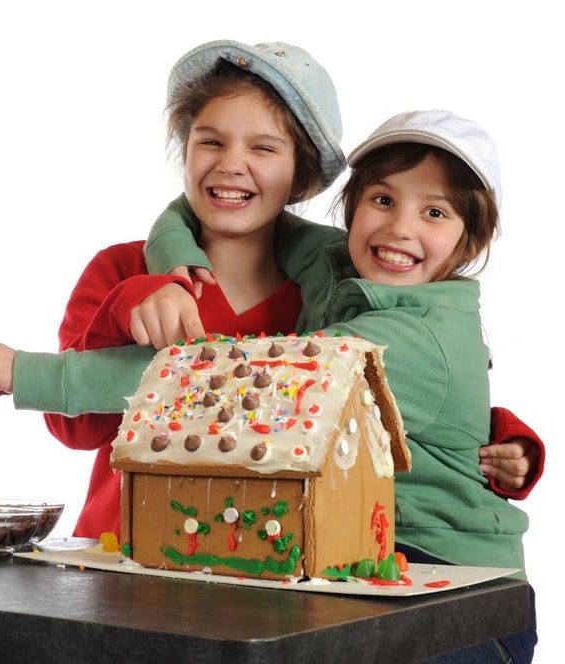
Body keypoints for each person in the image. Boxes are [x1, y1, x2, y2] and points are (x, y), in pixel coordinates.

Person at [0, 41, 543, 539]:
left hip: (270, 564)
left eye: (263, 147)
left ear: (302, 173)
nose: (232, 164)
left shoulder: (338, 281)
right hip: (125, 550)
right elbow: (75, 430)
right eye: (211, 141)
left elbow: (402, 379)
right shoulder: (121, 269)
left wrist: (498, 437)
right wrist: (140, 294)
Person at [144, 108, 537, 662]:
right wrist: (176, 261)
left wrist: (25, 373)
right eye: (382, 199)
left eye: (434, 211)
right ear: (351, 209)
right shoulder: (338, 265)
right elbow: (217, 210)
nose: (401, 226)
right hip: (354, 560)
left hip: (451, 587)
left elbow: (228, 381)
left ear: (468, 241)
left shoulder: (402, 334)